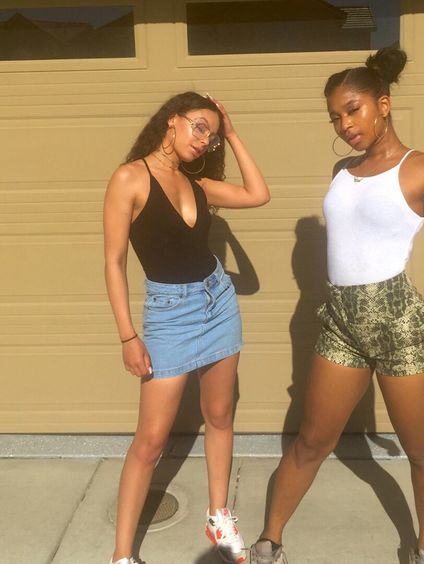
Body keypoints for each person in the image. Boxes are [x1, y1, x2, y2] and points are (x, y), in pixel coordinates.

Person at [250, 47, 424, 564]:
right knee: (311, 442)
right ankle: (268, 542)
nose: (344, 125)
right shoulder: (342, 170)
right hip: (341, 326)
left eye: (353, 110)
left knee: (420, 450)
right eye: (335, 117)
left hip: (402, 330)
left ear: (384, 104)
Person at [104, 91, 269, 564]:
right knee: (150, 441)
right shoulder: (130, 178)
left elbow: (258, 194)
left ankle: (218, 515)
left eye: (210, 135)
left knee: (219, 415)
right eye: (199, 127)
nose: (204, 140)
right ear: (171, 121)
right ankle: (122, 555)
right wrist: (128, 335)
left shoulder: (198, 184)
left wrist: (231, 134)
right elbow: (114, 262)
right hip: (169, 315)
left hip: (219, 302)